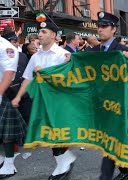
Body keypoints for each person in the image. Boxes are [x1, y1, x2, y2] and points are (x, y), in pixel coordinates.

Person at [11, 20, 75, 180]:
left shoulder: (63, 55)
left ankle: (63, 164)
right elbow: (27, 79)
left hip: (60, 102)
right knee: (49, 134)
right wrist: (18, 96)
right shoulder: (36, 57)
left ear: (54, 35)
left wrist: (68, 64)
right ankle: (65, 160)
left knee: (56, 134)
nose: (40, 34)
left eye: (44, 32)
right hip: (42, 103)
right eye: (39, 32)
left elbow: (70, 79)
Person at [86, 11, 128, 180]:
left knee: (110, 140)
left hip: (119, 104)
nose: (100, 29)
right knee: (112, 139)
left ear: (114, 29)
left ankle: (104, 176)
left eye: (104, 26)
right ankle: (126, 169)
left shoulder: (123, 50)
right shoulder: (92, 52)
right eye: (98, 26)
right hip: (100, 104)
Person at [0, 29, 26, 180]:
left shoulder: (6, 47)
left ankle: (9, 164)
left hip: (5, 92)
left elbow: (9, 73)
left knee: (7, 132)